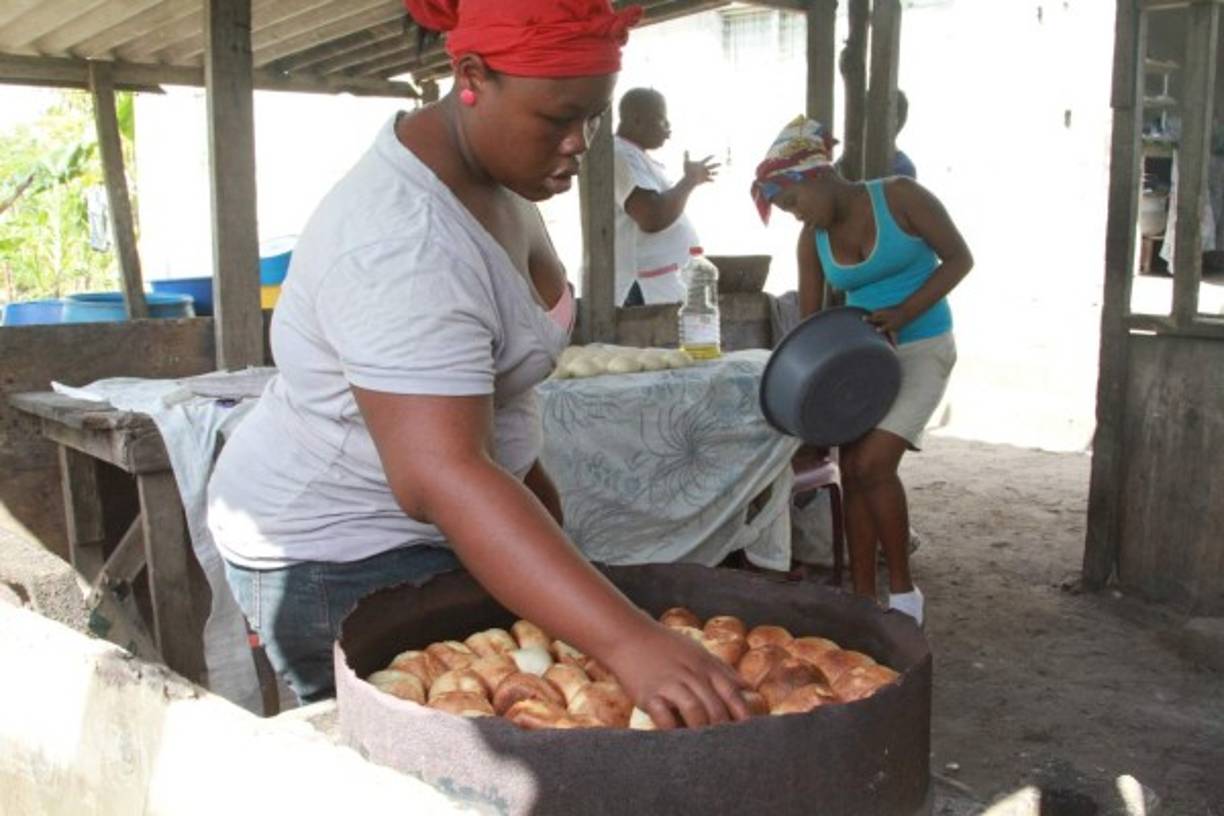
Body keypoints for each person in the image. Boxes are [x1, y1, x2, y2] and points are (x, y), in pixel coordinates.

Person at [207, 0, 749, 729]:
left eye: (592, 117)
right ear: (470, 76)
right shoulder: (400, 244)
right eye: (558, 118)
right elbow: (444, 473)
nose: (578, 145)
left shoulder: (494, 172)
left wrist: (555, 540)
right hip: (338, 551)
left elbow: (491, 406)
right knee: (425, 756)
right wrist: (628, 638)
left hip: (431, 523)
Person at [751, 116, 973, 625]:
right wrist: (811, 401)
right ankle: (861, 598)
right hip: (859, 362)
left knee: (873, 465)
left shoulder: (901, 197)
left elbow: (960, 259)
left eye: (792, 202)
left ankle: (903, 594)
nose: (793, 215)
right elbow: (810, 326)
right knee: (851, 471)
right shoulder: (812, 240)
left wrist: (905, 313)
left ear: (817, 175)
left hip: (922, 347)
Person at [613, 88, 718, 306]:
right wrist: (688, 181)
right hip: (643, 289)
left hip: (661, 285)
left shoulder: (635, 156)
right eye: (662, 120)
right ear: (637, 120)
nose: (668, 129)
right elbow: (652, 217)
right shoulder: (619, 156)